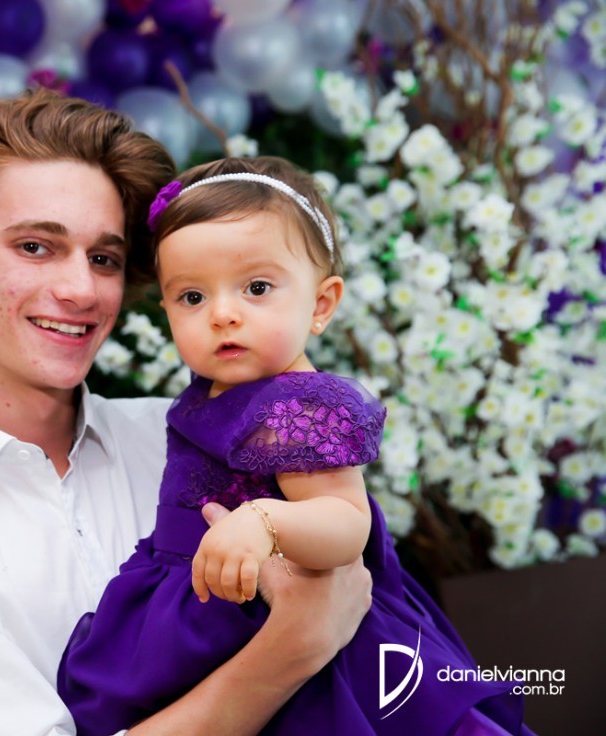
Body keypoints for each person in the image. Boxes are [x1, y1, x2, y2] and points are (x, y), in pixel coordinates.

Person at [0, 91, 373, 736]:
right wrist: (290, 652)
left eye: (104, 259)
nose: (82, 290)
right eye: (35, 247)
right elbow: (314, 624)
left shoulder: (207, 437)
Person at [56, 156, 531, 736]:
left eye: (257, 288)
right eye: (192, 297)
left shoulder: (298, 405)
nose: (223, 314)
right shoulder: (211, 391)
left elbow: (347, 522)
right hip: (196, 605)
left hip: (276, 618)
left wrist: (265, 522)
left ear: (321, 305)